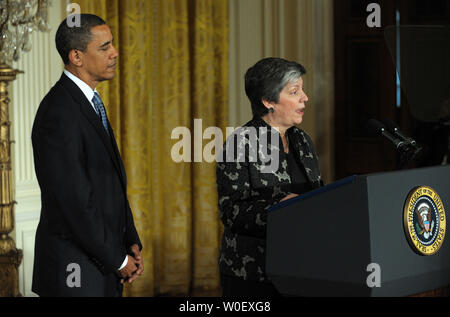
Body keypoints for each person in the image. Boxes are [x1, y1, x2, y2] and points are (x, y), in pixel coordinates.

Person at [31, 14, 143, 297]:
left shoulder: (89, 102)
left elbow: (110, 183)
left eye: (113, 45)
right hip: (75, 272)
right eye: (104, 47)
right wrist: (117, 260)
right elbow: (75, 202)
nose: (115, 53)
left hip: (102, 264)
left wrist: (129, 239)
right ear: (77, 57)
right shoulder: (57, 112)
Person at [217, 57, 323, 297]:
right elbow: (232, 212)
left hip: (302, 268)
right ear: (268, 101)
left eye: (302, 90)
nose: (305, 97)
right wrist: (279, 209)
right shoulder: (240, 143)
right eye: (295, 91)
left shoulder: (303, 140)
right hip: (253, 275)